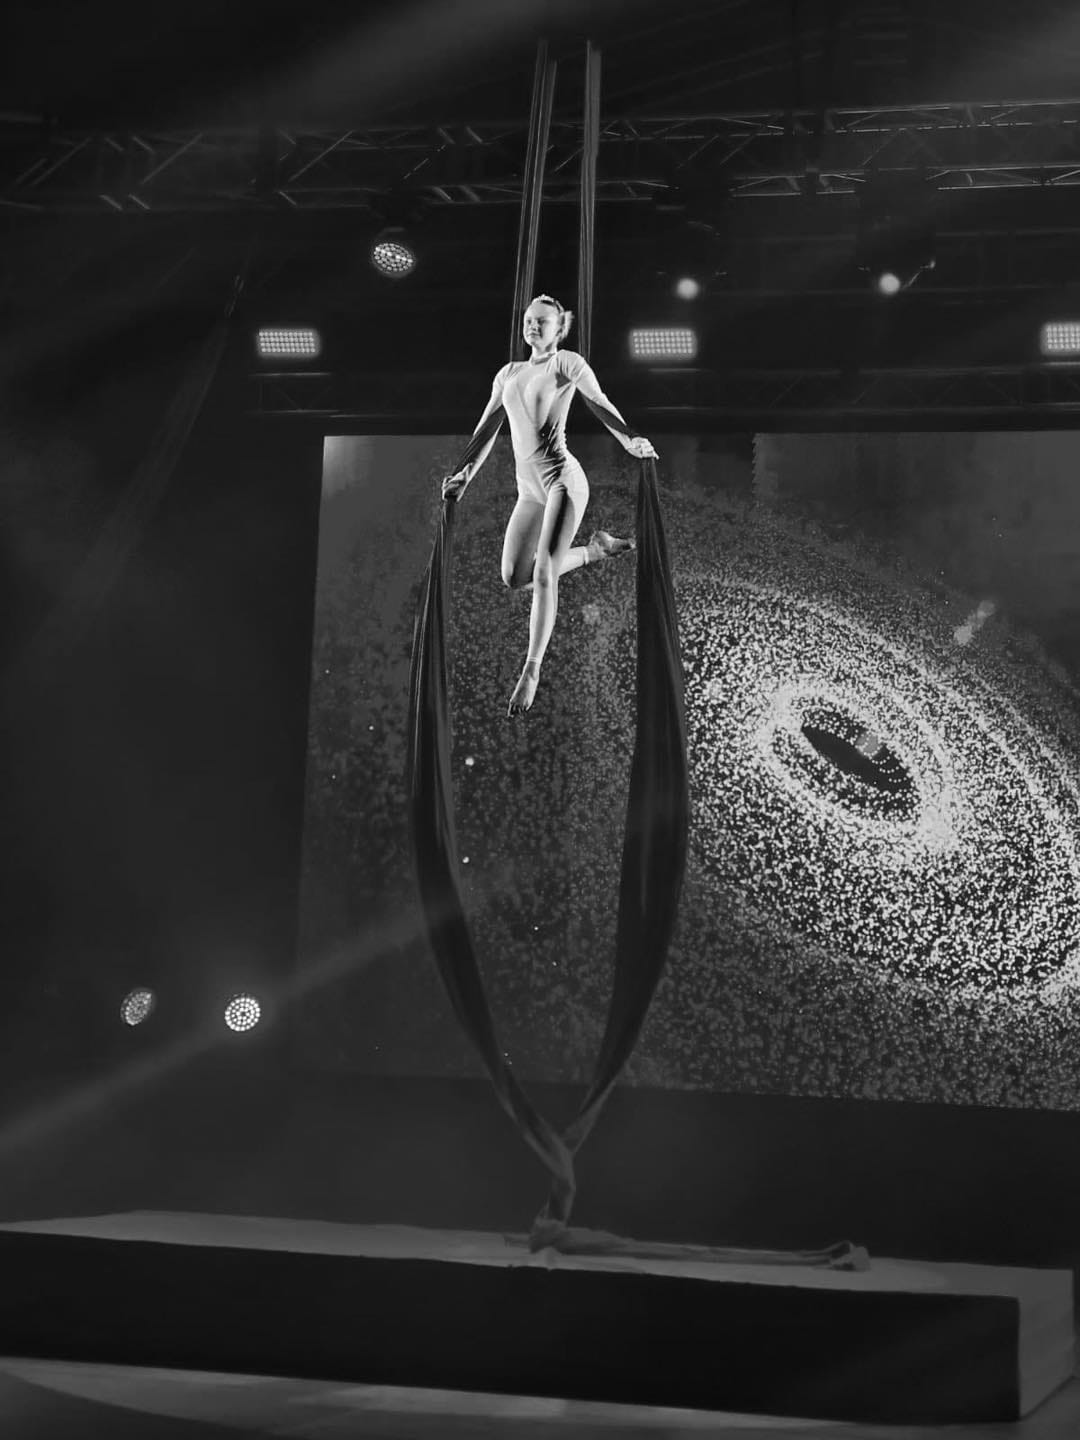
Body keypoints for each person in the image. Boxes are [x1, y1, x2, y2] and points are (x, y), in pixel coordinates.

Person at [441, 294, 658, 717]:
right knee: (514, 577)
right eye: (529, 319)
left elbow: (599, 401)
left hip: (563, 482)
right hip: (530, 490)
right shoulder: (508, 374)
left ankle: (531, 671)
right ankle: (596, 550)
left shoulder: (566, 363)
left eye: (543, 321)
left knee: (543, 571)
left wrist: (630, 439)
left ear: (560, 329)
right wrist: (463, 475)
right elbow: (485, 430)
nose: (533, 326)